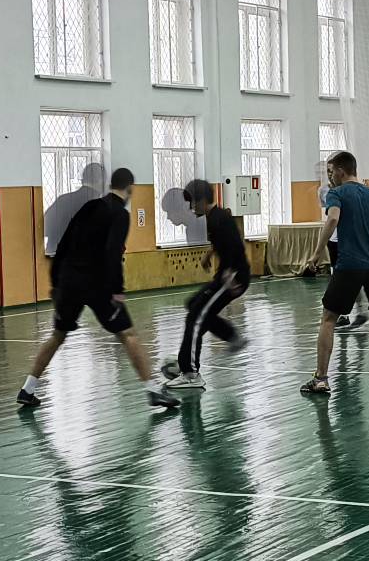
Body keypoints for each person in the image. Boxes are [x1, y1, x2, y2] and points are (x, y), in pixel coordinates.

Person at [18, 167, 181, 412]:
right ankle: (153, 390)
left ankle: (27, 389)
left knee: (57, 335)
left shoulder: (90, 207)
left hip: (69, 281)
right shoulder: (120, 214)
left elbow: (64, 243)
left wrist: (55, 283)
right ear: (130, 189)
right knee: (128, 334)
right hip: (97, 285)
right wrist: (117, 290)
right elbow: (113, 253)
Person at [298, 151, 369, 395]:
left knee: (328, 318)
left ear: (341, 170)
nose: (329, 177)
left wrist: (316, 254)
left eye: (330, 172)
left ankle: (321, 378)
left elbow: (332, 219)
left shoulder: (337, 194)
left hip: (349, 265)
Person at [162, 178, 249, 391]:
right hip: (226, 276)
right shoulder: (215, 218)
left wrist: (229, 275)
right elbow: (223, 242)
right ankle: (231, 337)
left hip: (232, 279)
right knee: (194, 305)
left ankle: (190, 373)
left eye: (192, 203)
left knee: (196, 316)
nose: (191, 208)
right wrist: (210, 254)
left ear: (201, 201)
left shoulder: (219, 219)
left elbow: (235, 246)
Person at [320, 165, 369, 330]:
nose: (330, 174)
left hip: (348, 241)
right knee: (336, 278)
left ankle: (361, 312)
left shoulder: (351, 191)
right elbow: (329, 216)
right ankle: (343, 315)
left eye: (332, 171)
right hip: (333, 242)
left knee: (351, 279)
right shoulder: (324, 191)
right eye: (327, 172)